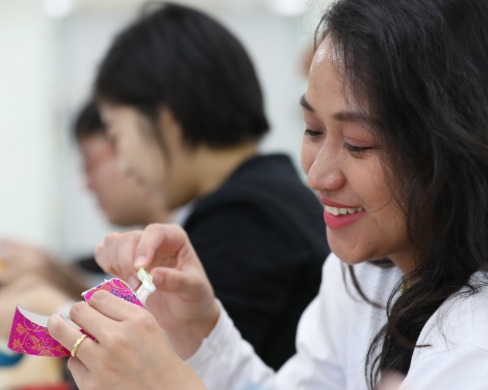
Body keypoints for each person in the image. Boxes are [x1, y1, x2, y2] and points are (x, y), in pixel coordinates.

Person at [48, 0, 488, 388]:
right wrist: (201, 327)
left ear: (461, 146)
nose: (319, 175)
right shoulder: (369, 265)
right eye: (312, 130)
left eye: (358, 143)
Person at [89, 2, 328, 369]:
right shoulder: (265, 197)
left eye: (117, 134)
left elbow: (159, 372)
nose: (123, 163)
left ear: (164, 117)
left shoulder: (244, 219)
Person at [0, 100, 169, 342]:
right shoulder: (147, 245)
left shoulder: (207, 237)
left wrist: (60, 312)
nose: (86, 183)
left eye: (92, 164)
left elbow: (160, 354)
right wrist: (49, 269)